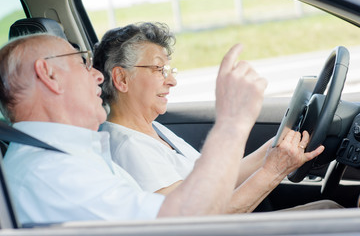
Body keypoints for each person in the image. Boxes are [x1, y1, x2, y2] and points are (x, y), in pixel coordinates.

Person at [0, 33, 324, 225]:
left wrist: (277, 147)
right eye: (83, 62)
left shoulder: (67, 157)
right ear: (49, 75)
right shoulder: (53, 174)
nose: (96, 75)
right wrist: (233, 121)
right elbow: (185, 223)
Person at [92, 23, 317, 196]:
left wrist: (276, 146)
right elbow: (196, 221)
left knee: (327, 207)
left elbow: (217, 183)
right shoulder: (128, 147)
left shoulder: (153, 129)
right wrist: (274, 171)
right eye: (159, 69)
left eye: (169, 70)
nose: (172, 81)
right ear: (121, 79)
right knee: (329, 209)